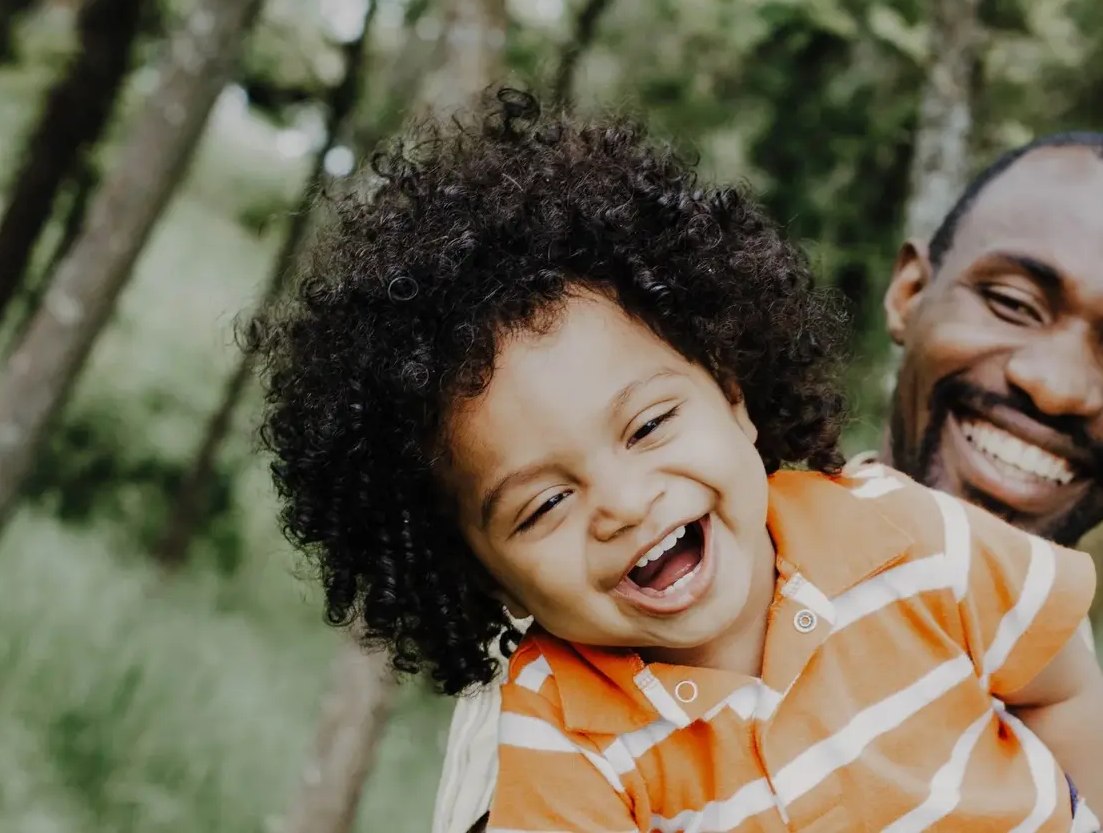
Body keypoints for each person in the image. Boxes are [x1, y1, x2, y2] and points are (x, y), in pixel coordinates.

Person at [248, 91, 1103, 832]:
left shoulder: (898, 535)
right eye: (543, 506)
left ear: (733, 393)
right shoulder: (560, 732)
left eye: (649, 425)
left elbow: (1062, 680)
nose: (621, 502)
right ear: (487, 582)